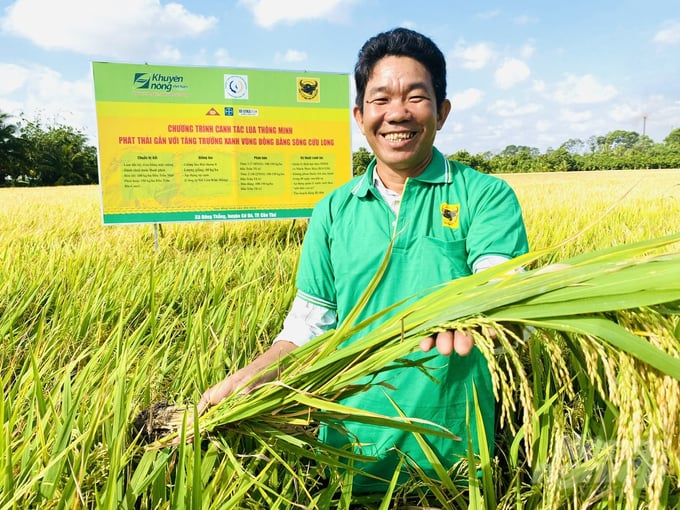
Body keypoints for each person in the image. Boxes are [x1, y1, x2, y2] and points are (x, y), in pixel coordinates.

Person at [195, 27, 529, 493]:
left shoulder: (485, 196)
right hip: (350, 455)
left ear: (442, 112)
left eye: (416, 97)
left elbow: (501, 290)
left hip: (456, 459)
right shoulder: (333, 210)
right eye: (380, 100)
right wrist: (256, 374)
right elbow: (309, 326)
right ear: (359, 114)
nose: (397, 113)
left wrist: (475, 313)